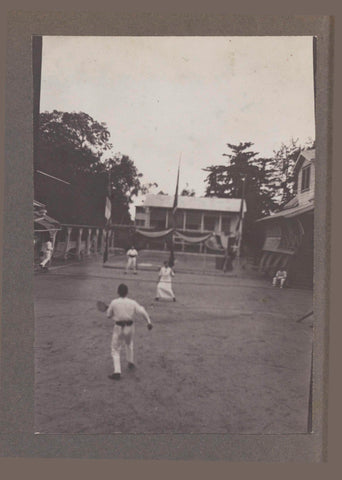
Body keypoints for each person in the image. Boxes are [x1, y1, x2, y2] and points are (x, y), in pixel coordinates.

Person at [107, 283, 153, 380]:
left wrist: (112, 312)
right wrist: (148, 322)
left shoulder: (114, 302)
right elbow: (142, 311)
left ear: (118, 292)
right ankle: (130, 362)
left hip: (119, 327)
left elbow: (108, 315)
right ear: (127, 292)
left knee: (115, 349)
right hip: (130, 327)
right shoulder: (132, 302)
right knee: (129, 343)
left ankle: (117, 372)